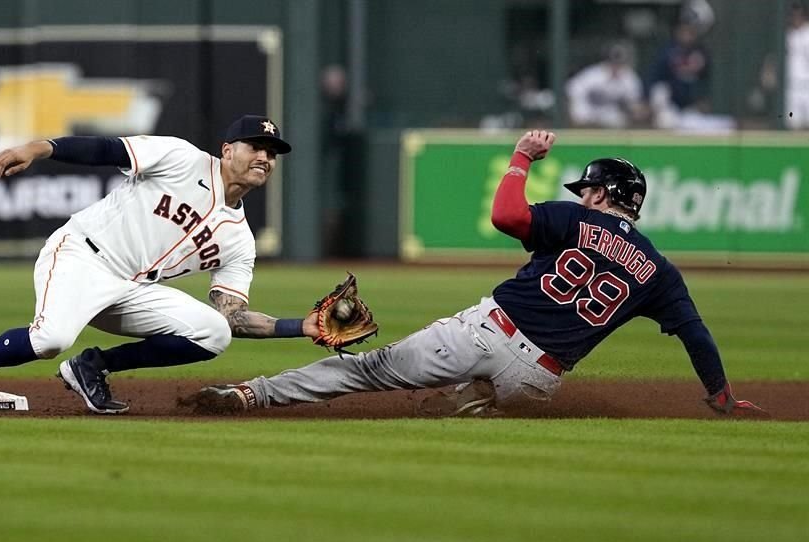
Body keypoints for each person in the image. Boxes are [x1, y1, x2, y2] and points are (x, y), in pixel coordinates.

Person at [187, 130, 764, 418]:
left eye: (588, 186)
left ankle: (252, 393)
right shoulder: (661, 273)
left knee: (365, 371)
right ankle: (475, 399)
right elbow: (697, 336)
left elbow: (506, 214)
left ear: (606, 193)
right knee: (459, 400)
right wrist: (721, 395)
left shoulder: (571, 220)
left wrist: (519, 158)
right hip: (538, 380)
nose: (581, 193)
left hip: (485, 333)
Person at [0, 115, 326, 414]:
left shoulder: (239, 240)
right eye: (257, 147)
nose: (265, 158)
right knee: (50, 339)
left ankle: (93, 366)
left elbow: (230, 317)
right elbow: (107, 149)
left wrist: (299, 327)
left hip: (131, 289)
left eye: (273, 153)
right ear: (228, 149)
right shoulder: (181, 158)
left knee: (213, 333)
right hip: (81, 255)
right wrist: (41, 148)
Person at [565, 42, 648, 129]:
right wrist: (572, 112)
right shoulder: (595, 74)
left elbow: (634, 103)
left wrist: (639, 112)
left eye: (619, 63)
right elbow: (572, 90)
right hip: (590, 108)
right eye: (614, 62)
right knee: (580, 112)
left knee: (617, 120)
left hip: (608, 112)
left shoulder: (629, 77)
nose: (616, 66)